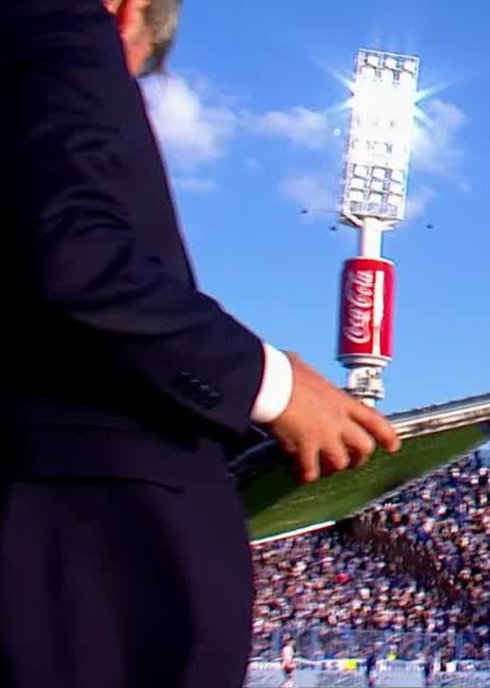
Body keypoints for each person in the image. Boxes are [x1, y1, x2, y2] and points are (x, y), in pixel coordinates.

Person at [0, 1, 401, 687]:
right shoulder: (63, 23)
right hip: (101, 546)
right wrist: (270, 384)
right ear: (130, 14)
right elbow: (78, 256)